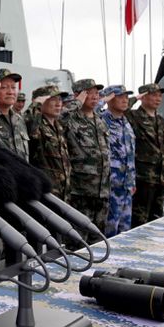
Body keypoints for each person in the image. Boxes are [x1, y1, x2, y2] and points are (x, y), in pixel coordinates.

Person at [60, 79, 110, 242]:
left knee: (98, 239)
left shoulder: (100, 120)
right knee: (78, 241)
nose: (95, 96)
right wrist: (76, 103)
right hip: (80, 191)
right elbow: (58, 120)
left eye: (96, 93)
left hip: (102, 190)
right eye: (89, 93)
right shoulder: (70, 119)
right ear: (78, 95)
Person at [125, 83, 164, 228]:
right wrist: (136, 98)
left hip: (159, 178)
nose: (158, 99)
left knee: (157, 218)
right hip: (142, 177)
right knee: (139, 219)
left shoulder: (161, 121)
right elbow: (122, 109)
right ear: (144, 97)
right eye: (153, 95)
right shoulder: (134, 116)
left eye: (160, 95)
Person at [99, 85, 136, 237]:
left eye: (126, 97)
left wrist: (132, 181)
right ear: (109, 99)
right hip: (111, 184)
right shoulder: (101, 119)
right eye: (120, 97)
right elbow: (84, 113)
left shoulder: (126, 122)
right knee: (109, 229)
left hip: (126, 185)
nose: (125, 100)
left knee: (125, 229)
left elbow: (130, 153)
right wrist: (102, 101)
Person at [23, 85, 71, 201]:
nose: (58, 103)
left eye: (60, 99)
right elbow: (27, 121)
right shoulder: (36, 125)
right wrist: (36, 104)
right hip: (46, 193)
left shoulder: (58, 126)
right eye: (53, 99)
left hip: (64, 192)